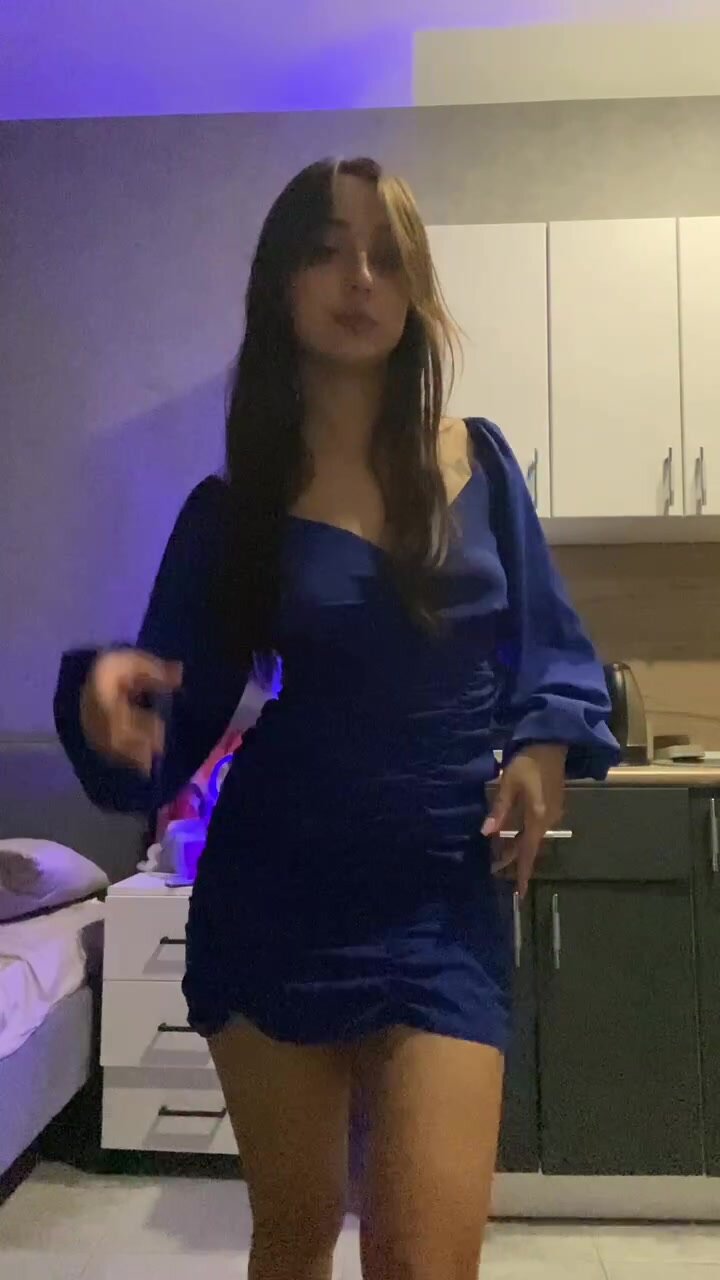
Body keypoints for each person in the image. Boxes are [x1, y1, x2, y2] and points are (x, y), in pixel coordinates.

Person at [54, 157, 619, 1280]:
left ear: (415, 290)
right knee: (295, 1234)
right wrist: (105, 701)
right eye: (326, 250)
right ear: (281, 283)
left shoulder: (481, 462)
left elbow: (551, 644)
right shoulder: (232, 512)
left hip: (442, 893)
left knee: (424, 1261)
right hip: (278, 892)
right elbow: (166, 719)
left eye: (386, 257)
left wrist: (544, 742)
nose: (359, 278)